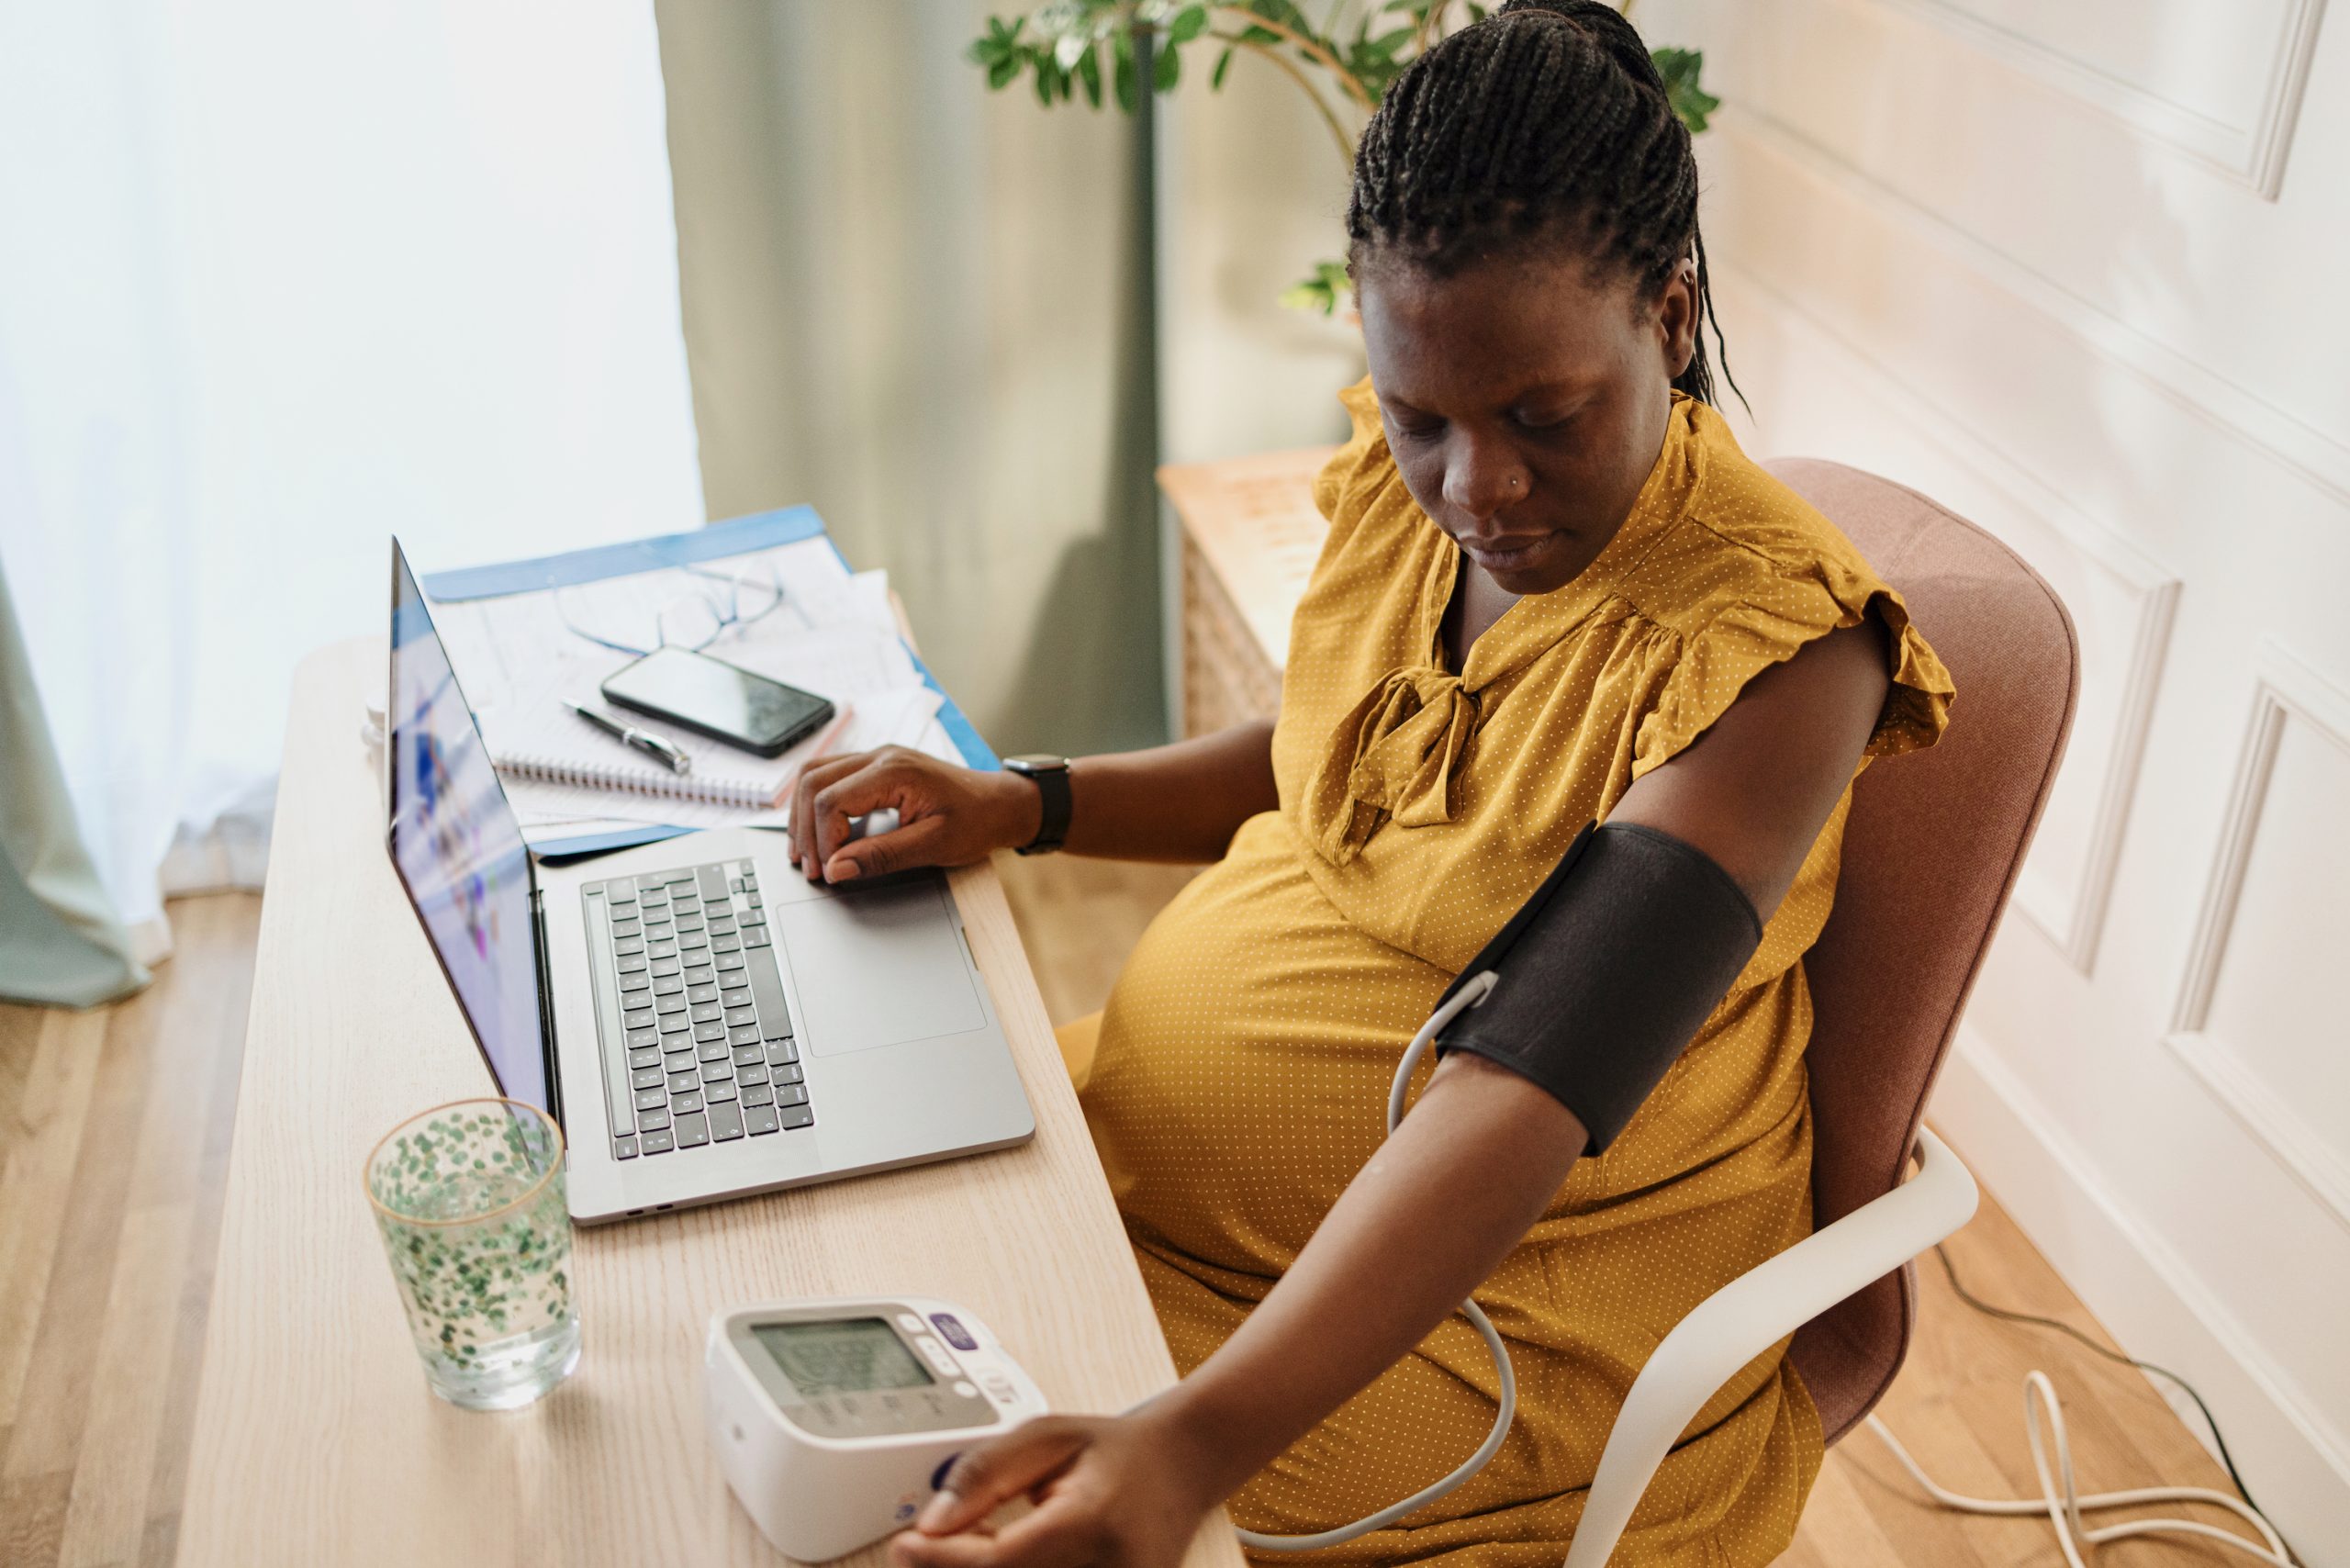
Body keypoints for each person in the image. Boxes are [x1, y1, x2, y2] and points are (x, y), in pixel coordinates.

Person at [789, 3, 1953, 1562]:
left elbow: (1535, 1080)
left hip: (1498, 1306)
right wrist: (1029, 800)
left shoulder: (1780, 656)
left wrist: (1190, 1446)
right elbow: (1313, 759)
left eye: (1545, 418)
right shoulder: (1421, 495)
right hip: (1184, 1198)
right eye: (1423, 420)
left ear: (1671, 318)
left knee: (926, 1503)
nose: (1477, 490)